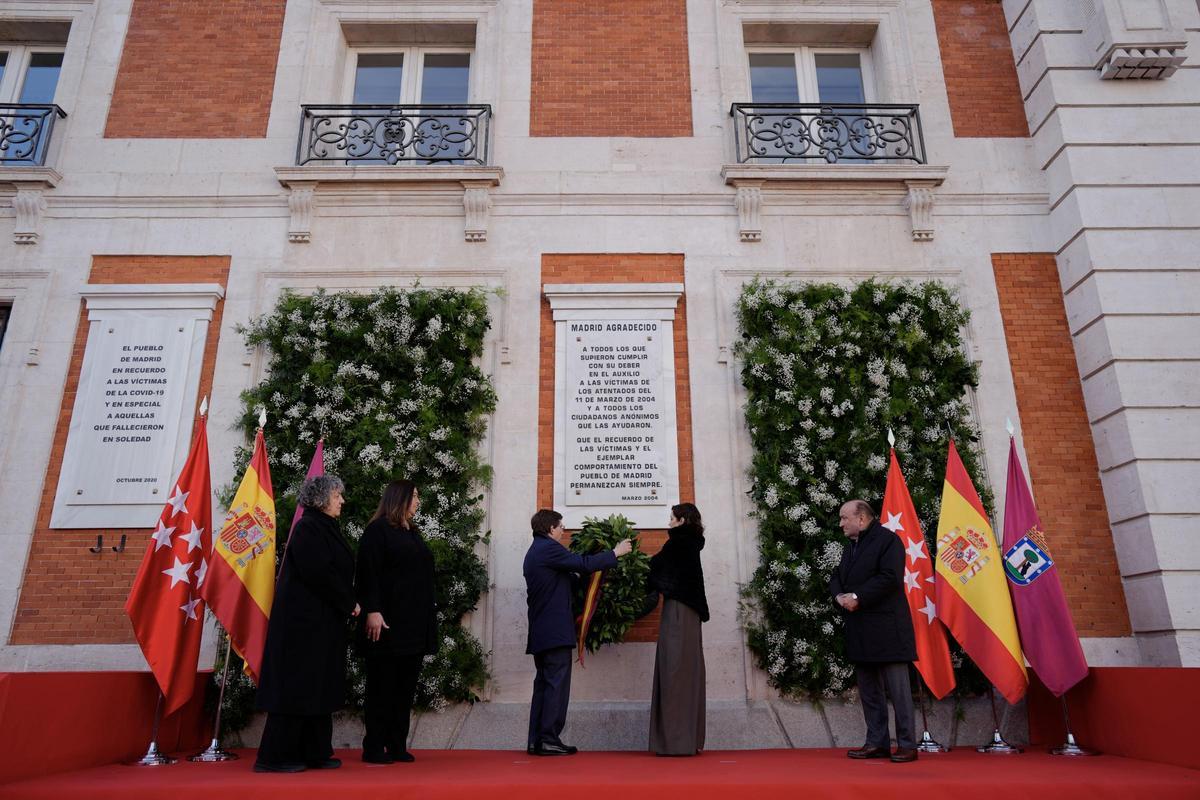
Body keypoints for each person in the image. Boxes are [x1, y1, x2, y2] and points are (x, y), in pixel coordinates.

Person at [255, 474, 359, 773]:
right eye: (338, 495)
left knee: (318, 684)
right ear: (322, 498)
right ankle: (275, 757)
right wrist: (349, 603)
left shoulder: (324, 527)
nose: (342, 500)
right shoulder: (308, 528)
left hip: (320, 624)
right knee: (297, 686)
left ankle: (315, 751)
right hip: (301, 627)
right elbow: (319, 573)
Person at [524, 508, 632, 756]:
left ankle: (537, 740)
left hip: (543, 632)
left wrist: (597, 570)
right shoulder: (548, 548)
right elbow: (581, 565)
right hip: (553, 632)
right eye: (561, 526)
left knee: (544, 686)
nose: (564, 531)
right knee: (556, 687)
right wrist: (615, 553)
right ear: (550, 528)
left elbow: (571, 578)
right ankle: (549, 738)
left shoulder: (537, 551)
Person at [829, 499, 919, 763]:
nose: (841, 523)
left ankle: (907, 744)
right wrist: (839, 597)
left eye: (844, 518)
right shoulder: (851, 548)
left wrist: (857, 596)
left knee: (899, 691)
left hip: (888, 629)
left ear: (862, 518)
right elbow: (836, 576)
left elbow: (890, 577)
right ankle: (876, 742)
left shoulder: (888, 541)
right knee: (869, 691)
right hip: (860, 629)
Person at [356, 479, 437, 764]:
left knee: (404, 687)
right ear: (399, 498)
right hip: (386, 624)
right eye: (414, 496)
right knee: (382, 686)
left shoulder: (411, 531)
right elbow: (369, 573)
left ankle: (397, 744)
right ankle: (375, 746)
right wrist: (373, 609)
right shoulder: (377, 531)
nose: (417, 501)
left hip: (413, 624)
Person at [643, 502, 709, 756]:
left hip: (679, 611)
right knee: (686, 672)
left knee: (673, 672)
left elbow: (656, 569)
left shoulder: (678, 544)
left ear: (682, 521)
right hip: (689, 613)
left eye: (672, 518)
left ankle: (674, 741)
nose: (669, 522)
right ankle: (687, 739)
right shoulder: (690, 543)